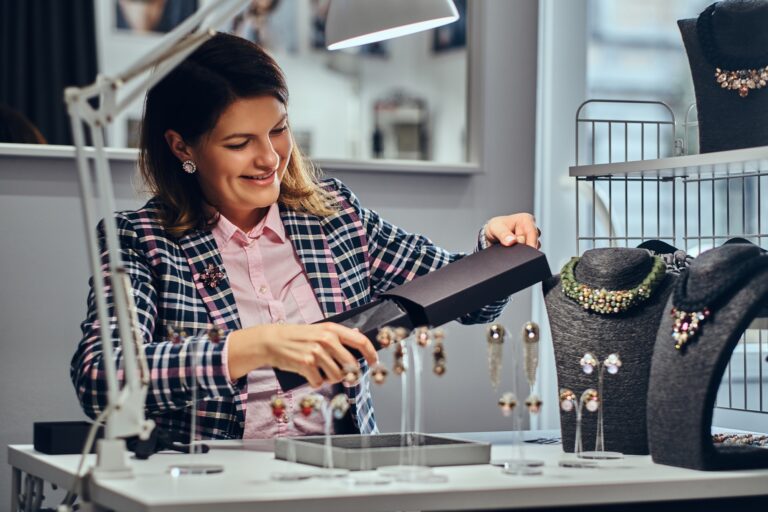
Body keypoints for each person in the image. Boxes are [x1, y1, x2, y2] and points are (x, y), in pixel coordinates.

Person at [70, 32, 540, 441]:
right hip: (207, 490)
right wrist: (257, 345)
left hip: (336, 485)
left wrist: (494, 251)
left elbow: (472, 303)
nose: (269, 158)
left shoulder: (334, 218)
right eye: (239, 143)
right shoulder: (140, 240)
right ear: (181, 146)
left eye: (277, 130)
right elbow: (100, 380)